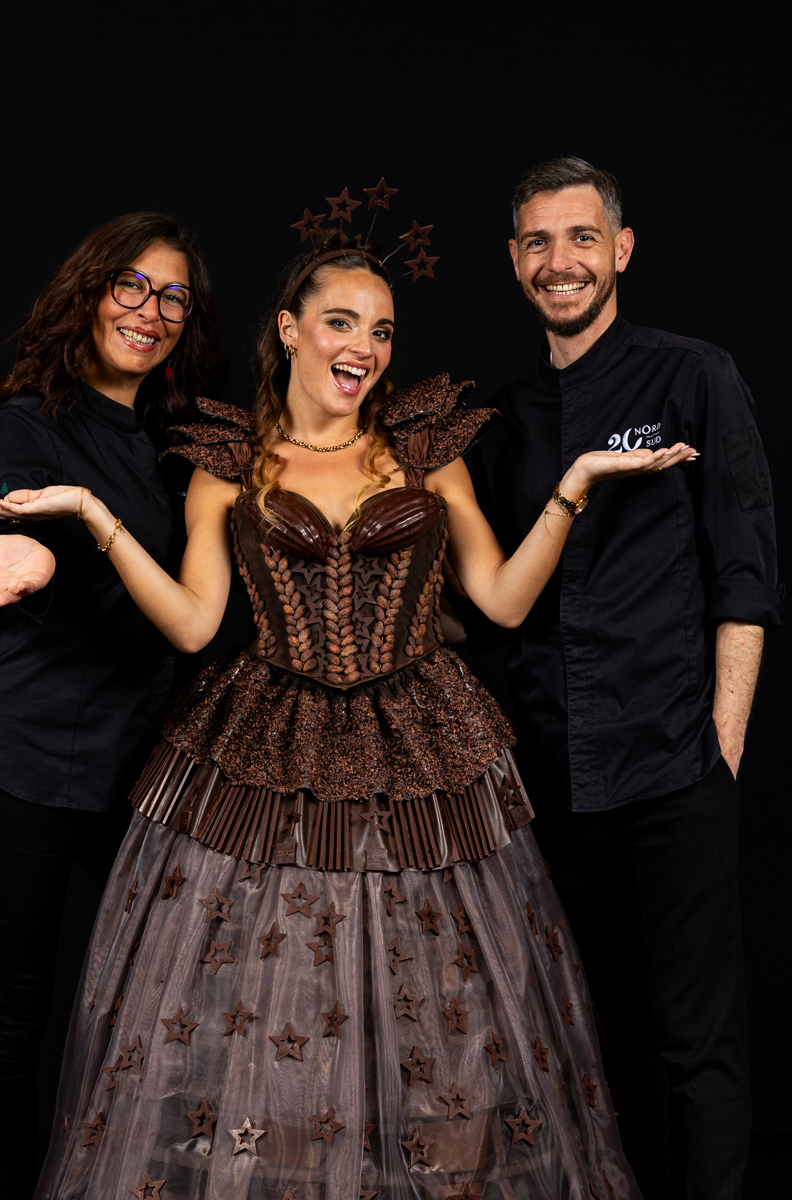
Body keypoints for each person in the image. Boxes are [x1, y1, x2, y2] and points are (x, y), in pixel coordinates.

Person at [0, 228, 694, 1200]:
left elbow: (501, 602)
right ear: (290, 329)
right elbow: (193, 624)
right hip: (268, 735)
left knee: (437, 1006)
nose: (365, 347)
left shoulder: (423, 447)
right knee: (273, 994)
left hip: (423, 740)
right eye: (342, 323)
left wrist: (572, 489)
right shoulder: (231, 460)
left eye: (382, 330)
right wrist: (94, 521)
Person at [469, 157, 781, 1200]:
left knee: (696, 1043)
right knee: (593, 1042)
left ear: (622, 250)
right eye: (539, 242)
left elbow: (745, 570)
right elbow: (492, 603)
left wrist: (722, 743)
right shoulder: (502, 418)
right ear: (515, 260)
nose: (560, 261)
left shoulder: (695, 376)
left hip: (672, 761)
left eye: (581, 238)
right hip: (553, 778)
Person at [0, 211, 226, 1200]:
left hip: (125, 761)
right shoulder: (30, 420)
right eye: (130, 285)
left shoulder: (177, 440)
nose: (150, 310)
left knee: (189, 979)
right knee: (15, 1012)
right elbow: (11, 512)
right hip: (13, 756)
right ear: (88, 292)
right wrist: (33, 554)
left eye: (173, 296)